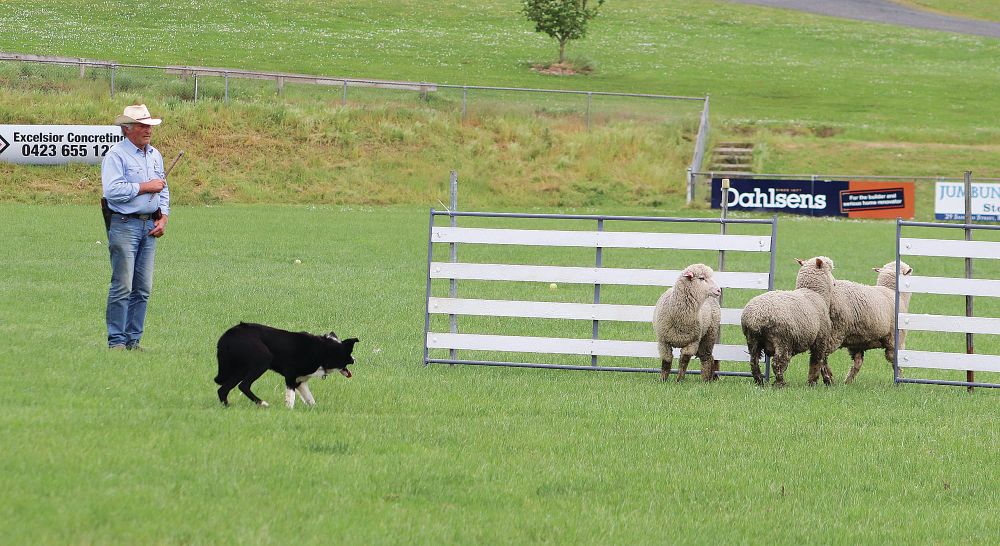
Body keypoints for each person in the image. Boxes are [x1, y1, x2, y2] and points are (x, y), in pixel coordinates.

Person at [101, 104, 170, 350]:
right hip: (124, 225)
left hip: (149, 225)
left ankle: (134, 341)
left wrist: (164, 217)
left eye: (149, 125)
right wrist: (144, 186)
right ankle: (117, 342)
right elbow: (112, 192)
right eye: (142, 125)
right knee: (123, 286)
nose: (148, 129)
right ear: (127, 129)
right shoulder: (116, 155)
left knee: (142, 288)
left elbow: (163, 188)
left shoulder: (155, 155)